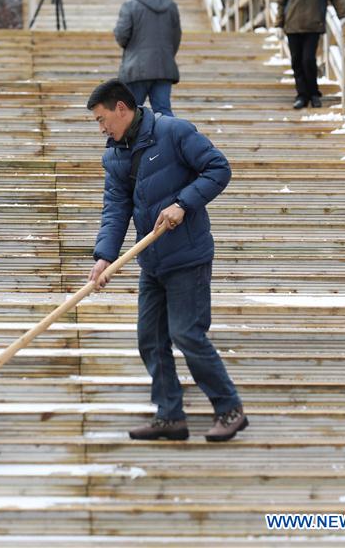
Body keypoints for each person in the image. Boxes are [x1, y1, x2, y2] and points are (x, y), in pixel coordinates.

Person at [86, 79, 248, 443]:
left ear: (121, 109)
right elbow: (115, 209)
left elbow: (218, 168)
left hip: (187, 255)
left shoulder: (173, 132)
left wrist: (183, 203)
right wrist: (105, 257)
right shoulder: (114, 155)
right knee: (150, 339)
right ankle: (170, 416)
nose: (101, 128)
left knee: (186, 333)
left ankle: (229, 409)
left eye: (101, 119)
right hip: (152, 261)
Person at [276, 0, 345, 109]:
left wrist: (343, 17)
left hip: (313, 24)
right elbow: (282, 0)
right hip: (292, 24)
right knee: (296, 61)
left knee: (308, 59)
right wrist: (279, 24)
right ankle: (302, 95)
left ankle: (314, 94)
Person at [113, 0, 181, 117]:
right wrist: (166, 55)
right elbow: (175, 37)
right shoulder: (170, 5)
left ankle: (135, 134)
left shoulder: (130, 5)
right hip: (163, 67)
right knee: (163, 112)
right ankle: (168, 134)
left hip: (136, 69)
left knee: (130, 113)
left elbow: (122, 36)